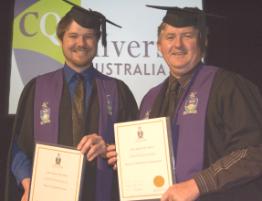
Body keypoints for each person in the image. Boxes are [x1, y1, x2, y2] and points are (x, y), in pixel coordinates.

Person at [107, 5, 262, 201]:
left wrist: (198, 184)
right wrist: (127, 157)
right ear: (159, 45)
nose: (178, 44)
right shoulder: (150, 99)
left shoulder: (229, 86)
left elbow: (253, 151)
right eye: (170, 37)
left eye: (187, 36)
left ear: (203, 42)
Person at [5, 1, 138, 201]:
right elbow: (18, 147)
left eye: (89, 37)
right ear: (61, 39)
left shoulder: (119, 91)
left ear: (97, 41)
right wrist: (28, 182)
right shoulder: (37, 88)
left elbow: (135, 150)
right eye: (73, 36)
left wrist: (110, 148)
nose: (81, 43)